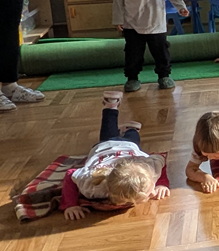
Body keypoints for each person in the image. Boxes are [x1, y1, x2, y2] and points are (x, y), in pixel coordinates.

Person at [62, 90, 170, 220]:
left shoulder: (150, 167)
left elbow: (160, 159)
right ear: (121, 200)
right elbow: (71, 175)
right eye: (149, 193)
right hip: (113, 148)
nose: (152, 193)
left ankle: (121, 118)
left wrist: (162, 184)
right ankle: (122, 120)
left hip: (119, 147)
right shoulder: (93, 187)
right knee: (118, 136)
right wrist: (70, 205)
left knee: (125, 138)